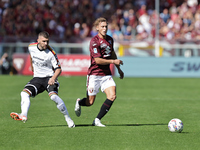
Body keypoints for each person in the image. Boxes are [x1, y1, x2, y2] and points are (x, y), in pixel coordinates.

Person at [10, 31, 75, 128]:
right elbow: (32, 56)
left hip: (49, 77)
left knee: (53, 97)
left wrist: (53, 78)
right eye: (44, 41)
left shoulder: (51, 53)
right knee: (24, 93)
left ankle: (68, 118)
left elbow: (58, 69)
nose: (46, 44)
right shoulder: (31, 47)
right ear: (38, 40)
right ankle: (23, 114)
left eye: (47, 41)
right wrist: (32, 66)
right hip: (37, 78)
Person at [75, 17, 124, 127]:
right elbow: (97, 60)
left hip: (106, 75)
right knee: (90, 102)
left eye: (106, 26)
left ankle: (97, 120)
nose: (104, 28)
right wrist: (113, 61)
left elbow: (112, 54)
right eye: (102, 26)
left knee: (112, 96)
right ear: (97, 28)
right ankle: (79, 102)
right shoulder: (94, 41)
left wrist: (119, 69)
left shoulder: (110, 40)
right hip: (94, 75)